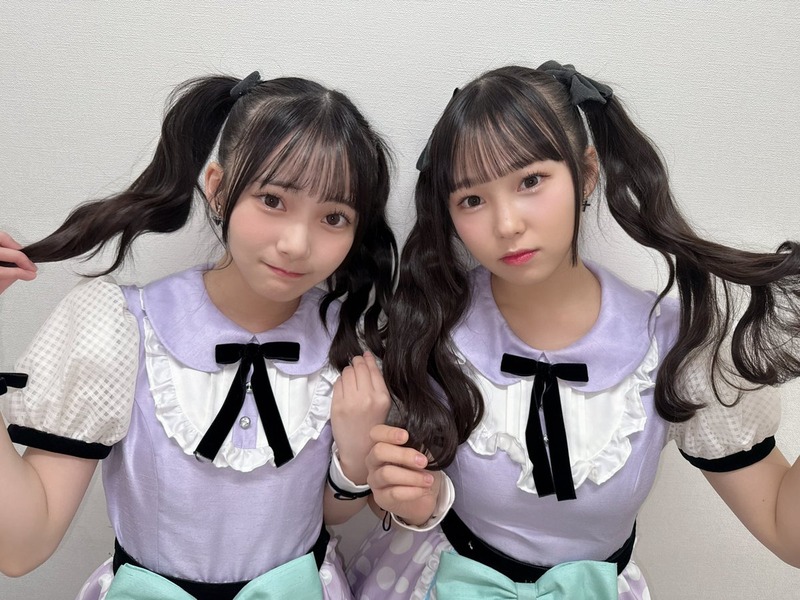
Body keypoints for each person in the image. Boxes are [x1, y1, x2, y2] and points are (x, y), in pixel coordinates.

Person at [348, 62, 800, 599]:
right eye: (472, 199)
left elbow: (785, 530)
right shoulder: (431, 324)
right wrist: (412, 503)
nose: (507, 224)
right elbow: (388, 491)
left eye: (530, 181)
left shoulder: (674, 344)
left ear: (586, 173)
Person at [0, 71, 397, 599]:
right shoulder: (125, 328)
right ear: (218, 189)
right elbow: (21, 547)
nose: (297, 243)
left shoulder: (346, 338)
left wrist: (354, 454)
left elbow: (324, 514)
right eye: (273, 200)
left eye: (334, 217)